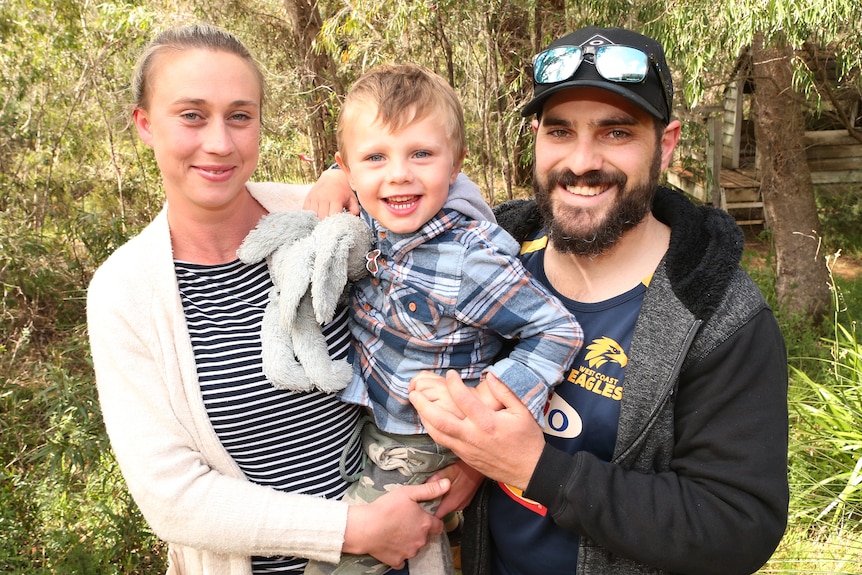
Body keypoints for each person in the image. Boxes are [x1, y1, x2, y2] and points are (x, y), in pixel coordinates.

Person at [86, 24, 480, 575]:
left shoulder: (328, 216)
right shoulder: (125, 291)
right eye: (192, 115)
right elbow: (172, 496)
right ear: (146, 123)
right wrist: (351, 529)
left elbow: (457, 219)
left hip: (404, 554)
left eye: (240, 116)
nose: (220, 142)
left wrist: (473, 461)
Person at [408, 26, 789, 575]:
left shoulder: (719, 316)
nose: (582, 161)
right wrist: (337, 183)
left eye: (615, 133)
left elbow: (737, 527)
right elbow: (394, 195)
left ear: (668, 143)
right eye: (560, 132)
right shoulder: (493, 260)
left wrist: (536, 469)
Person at [303, 64, 583, 575]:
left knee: (340, 566)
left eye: (421, 154)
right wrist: (334, 177)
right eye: (375, 158)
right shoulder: (375, 219)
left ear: (455, 165)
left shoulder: (466, 259)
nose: (399, 174)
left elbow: (556, 330)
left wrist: (483, 404)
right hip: (370, 420)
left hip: (421, 443)